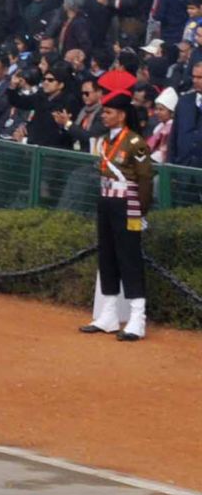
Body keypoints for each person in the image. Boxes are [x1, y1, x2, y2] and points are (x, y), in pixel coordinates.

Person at [81, 91, 154, 340]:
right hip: (106, 200)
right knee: (107, 256)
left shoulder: (135, 142)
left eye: (109, 112)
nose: (104, 115)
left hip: (127, 203)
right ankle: (109, 314)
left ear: (121, 116)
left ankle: (137, 318)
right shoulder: (105, 141)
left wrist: (141, 210)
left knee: (129, 258)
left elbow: (145, 179)